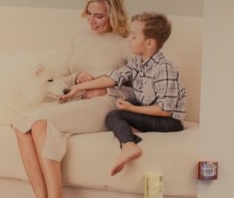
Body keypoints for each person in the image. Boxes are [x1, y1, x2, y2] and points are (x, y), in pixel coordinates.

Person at [12, 0, 130, 198]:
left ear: (114, 15)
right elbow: (61, 76)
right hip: (75, 97)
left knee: (43, 123)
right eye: (89, 14)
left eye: (99, 16)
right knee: (21, 124)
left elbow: (139, 89)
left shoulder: (125, 43)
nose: (92, 21)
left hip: (105, 102)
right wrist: (77, 78)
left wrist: (104, 88)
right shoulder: (79, 36)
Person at [60, 11, 186, 176]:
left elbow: (164, 110)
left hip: (169, 121)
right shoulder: (138, 62)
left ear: (149, 43)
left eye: (133, 37)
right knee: (121, 105)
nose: (128, 40)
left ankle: (129, 145)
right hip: (150, 111)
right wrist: (79, 88)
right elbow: (114, 77)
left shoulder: (164, 68)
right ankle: (135, 129)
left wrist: (131, 109)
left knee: (115, 116)